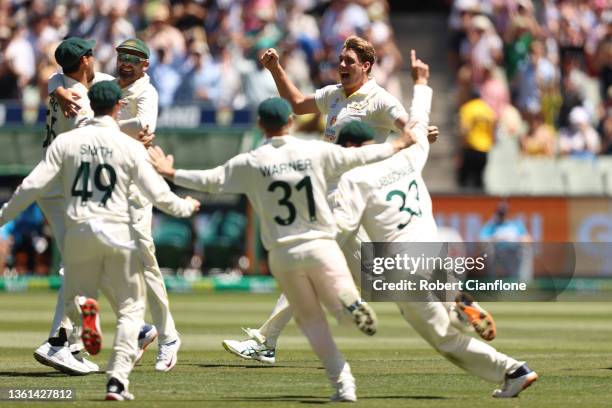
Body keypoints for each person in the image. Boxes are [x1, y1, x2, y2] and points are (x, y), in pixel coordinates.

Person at [148, 96, 423, 402]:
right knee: (342, 296)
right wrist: (401, 144)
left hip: (284, 254)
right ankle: (348, 305)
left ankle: (344, 384)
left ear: (260, 125)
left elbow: (211, 181)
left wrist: (171, 173)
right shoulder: (314, 150)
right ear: (290, 123)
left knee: (314, 325)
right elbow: (360, 157)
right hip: (321, 242)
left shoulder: (252, 161)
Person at [0, 81, 200, 401]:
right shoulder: (131, 147)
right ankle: (117, 381)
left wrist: (2, 217)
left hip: (79, 231)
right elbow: (159, 195)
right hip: (118, 233)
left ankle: (83, 310)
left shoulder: (67, 142)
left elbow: (30, 186)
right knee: (131, 311)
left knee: (73, 290)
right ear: (119, 106)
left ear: (90, 103)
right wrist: (187, 206)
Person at [48, 38, 181, 372]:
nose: (125, 63)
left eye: (133, 60)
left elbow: (144, 127)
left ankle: (167, 337)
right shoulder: (105, 83)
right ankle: (127, 333)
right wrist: (60, 92)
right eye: (122, 57)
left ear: (145, 65)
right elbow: (58, 78)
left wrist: (100, 126)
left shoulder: (147, 93)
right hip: (106, 186)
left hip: (135, 187)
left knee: (145, 258)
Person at [35, 37, 113, 376]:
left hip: (52, 184)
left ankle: (69, 343)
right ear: (83, 61)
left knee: (82, 262)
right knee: (80, 263)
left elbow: (53, 79)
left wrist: (58, 89)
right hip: (65, 188)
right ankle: (57, 343)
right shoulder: (79, 102)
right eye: (91, 53)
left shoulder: (63, 84)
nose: (95, 56)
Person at [260, 36, 416, 144]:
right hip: (333, 184)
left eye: (349, 61)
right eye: (341, 59)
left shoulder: (380, 99)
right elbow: (297, 104)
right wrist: (275, 68)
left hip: (361, 187)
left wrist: (424, 132)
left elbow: (410, 128)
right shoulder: (332, 93)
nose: (342, 65)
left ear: (365, 66)